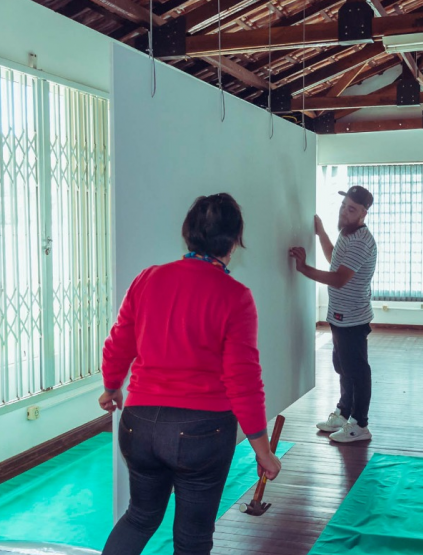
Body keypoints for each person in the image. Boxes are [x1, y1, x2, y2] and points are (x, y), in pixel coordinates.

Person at [98, 194, 281, 555]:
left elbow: (120, 339)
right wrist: (263, 450)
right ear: (233, 242)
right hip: (202, 432)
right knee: (193, 538)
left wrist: (111, 386)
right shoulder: (235, 296)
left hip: (139, 424)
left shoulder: (148, 279)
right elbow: (243, 380)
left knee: (139, 516)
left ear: (188, 235)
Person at [289, 185, 378, 443]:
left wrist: (304, 268)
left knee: (357, 370)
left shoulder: (361, 241)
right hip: (340, 316)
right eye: (343, 206)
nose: (345, 212)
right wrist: (322, 234)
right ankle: (344, 412)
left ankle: (359, 425)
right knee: (343, 367)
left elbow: (339, 279)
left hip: (353, 318)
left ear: (364, 213)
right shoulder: (347, 235)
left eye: (352, 209)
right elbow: (334, 260)